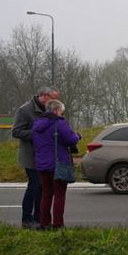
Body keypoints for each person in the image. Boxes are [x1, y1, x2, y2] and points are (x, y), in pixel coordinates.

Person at [11, 87, 60, 229]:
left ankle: (40, 219)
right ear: (45, 95)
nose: (56, 102)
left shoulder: (49, 110)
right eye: (54, 98)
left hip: (45, 156)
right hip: (31, 156)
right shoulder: (24, 110)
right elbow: (16, 132)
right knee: (35, 185)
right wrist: (37, 134)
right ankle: (27, 219)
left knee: (43, 188)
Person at [32, 99, 81, 230]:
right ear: (57, 110)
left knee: (46, 194)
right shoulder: (59, 123)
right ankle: (58, 224)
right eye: (61, 111)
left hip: (41, 164)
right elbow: (70, 140)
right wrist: (78, 136)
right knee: (59, 194)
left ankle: (44, 224)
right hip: (58, 164)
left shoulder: (36, 124)